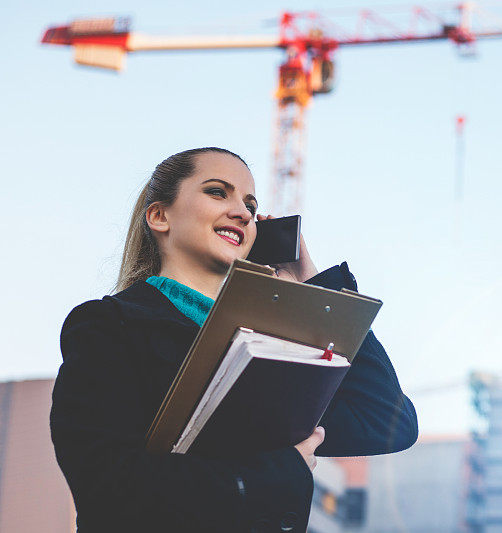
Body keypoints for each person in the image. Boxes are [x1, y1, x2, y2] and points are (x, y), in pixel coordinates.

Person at [50, 147, 418, 533]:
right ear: (159, 216)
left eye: (251, 204)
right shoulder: (109, 326)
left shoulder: (271, 346)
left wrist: (316, 288)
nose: (243, 212)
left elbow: (390, 421)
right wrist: (275, 474)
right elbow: (106, 486)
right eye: (216, 192)